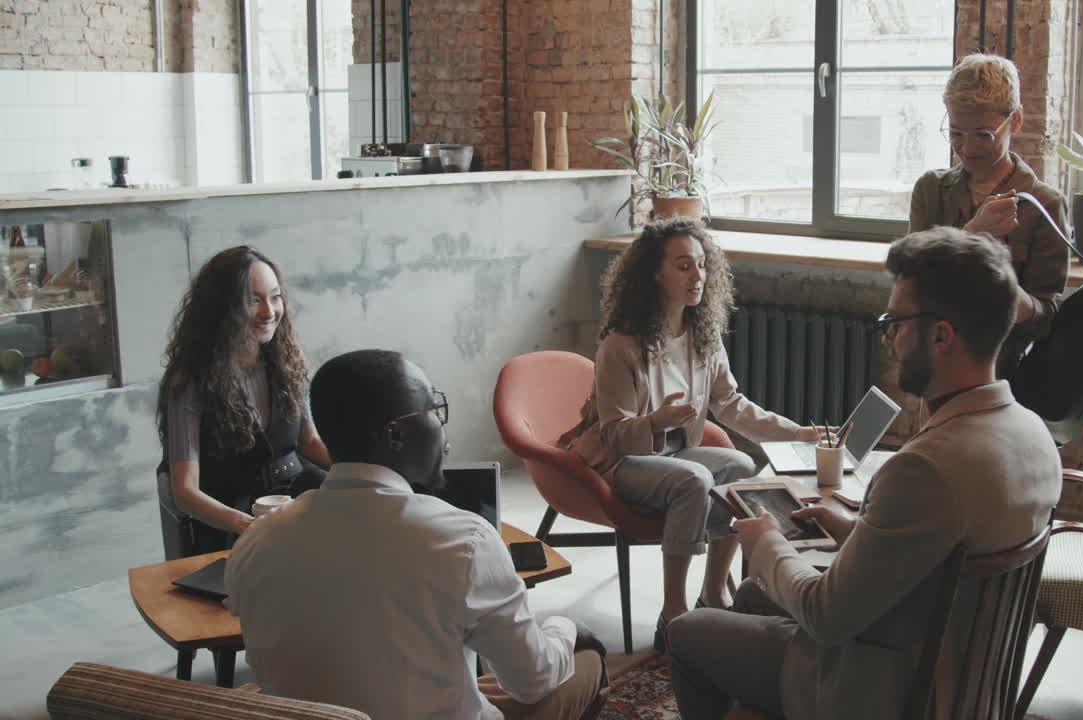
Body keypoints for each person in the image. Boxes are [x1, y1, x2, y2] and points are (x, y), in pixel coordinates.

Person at [666, 227, 1062, 720]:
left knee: (687, 633)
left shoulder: (925, 467)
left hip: (889, 688)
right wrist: (852, 528)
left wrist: (767, 540)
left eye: (895, 322)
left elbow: (826, 616)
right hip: (966, 678)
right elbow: (946, 555)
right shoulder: (1033, 434)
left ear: (942, 335)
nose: (889, 338)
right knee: (749, 592)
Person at [225, 349, 609, 720]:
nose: (442, 430)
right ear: (395, 435)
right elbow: (533, 680)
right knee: (583, 661)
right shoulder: (462, 539)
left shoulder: (258, 540)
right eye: (433, 411)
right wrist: (566, 628)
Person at [562, 218, 824, 650]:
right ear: (654, 274)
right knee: (694, 480)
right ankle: (673, 613)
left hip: (676, 456)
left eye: (702, 265)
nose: (698, 276)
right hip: (624, 463)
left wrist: (798, 433)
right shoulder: (620, 346)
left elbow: (733, 405)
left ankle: (714, 591)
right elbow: (614, 436)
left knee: (741, 467)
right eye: (684, 266)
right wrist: (656, 422)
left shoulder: (703, 337)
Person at [156, 245, 330, 554]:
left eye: (275, 298)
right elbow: (184, 490)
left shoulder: (288, 361)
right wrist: (244, 525)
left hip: (300, 494)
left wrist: (371, 470)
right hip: (231, 517)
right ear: (222, 308)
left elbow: (310, 443)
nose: (269, 312)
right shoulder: (189, 382)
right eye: (253, 300)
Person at [909, 53, 1070, 377]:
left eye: (983, 135)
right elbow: (909, 282)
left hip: (1006, 379)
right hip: (935, 371)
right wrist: (970, 236)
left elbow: (1047, 318)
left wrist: (1009, 293)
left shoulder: (1044, 205)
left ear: (1016, 121)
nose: (967, 148)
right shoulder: (930, 189)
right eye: (956, 134)